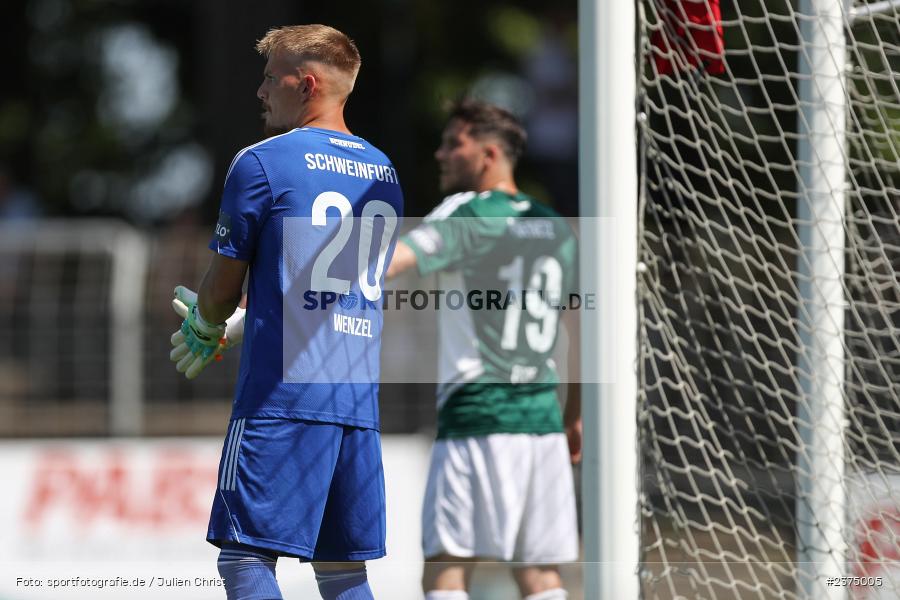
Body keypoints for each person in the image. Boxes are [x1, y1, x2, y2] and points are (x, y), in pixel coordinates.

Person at [169, 24, 403, 600]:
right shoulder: (384, 171)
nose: (260, 90)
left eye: (271, 77)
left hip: (283, 399)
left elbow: (222, 289)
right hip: (355, 401)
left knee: (244, 558)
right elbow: (317, 282)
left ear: (307, 85)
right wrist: (245, 318)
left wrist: (206, 322)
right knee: (343, 571)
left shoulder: (263, 161)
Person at [386, 100, 581, 600]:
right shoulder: (555, 226)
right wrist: (574, 415)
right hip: (542, 424)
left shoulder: (468, 212)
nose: (441, 153)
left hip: (477, 416)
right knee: (540, 576)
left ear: (489, 154)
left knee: (446, 570)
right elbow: (578, 329)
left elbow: (388, 265)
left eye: (454, 143)